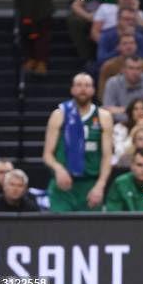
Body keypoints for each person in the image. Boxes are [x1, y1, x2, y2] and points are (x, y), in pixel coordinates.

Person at [42, 73, 113, 211]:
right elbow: (47, 155)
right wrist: (59, 169)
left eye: (87, 85)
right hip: (63, 186)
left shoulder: (103, 116)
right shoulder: (59, 114)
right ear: (72, 89)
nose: (83, 89)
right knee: (60, 230)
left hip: (90, 184)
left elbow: (107, 157)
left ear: (93, 90)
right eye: (79, 85)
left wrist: (100, 185)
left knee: (90, 231)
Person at [103, 56, 143, 122]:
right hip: (119, 124)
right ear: (123, 69)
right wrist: (136, 117)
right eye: (131, 68)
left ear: (142, 70)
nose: (135, 72)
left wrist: (123, 110)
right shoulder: (112, 83)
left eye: (138, 68)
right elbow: (107, 111)